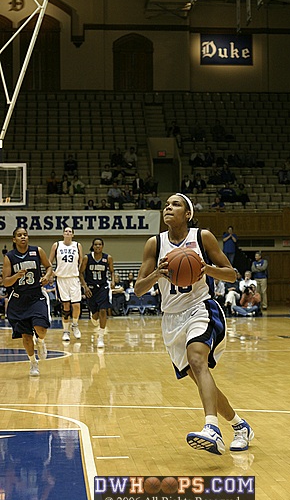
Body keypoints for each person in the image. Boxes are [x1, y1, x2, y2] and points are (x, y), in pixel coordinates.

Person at [134, 193, 254, 455]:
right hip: (171, 318)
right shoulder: (154, 244)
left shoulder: (203, 237)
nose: (168, 208)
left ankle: (211, 428)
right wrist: (157, 274)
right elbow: (139, 290)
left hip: (201, 308)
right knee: (200, 378)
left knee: (198, 361)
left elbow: (231, 274)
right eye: (166, 205)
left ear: (187, 213)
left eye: (175, 204)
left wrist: (205, 268)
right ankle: (240, 426)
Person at [2, 227, 52, 376]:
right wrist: (16, 276)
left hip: (36, 296)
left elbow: (49, 267)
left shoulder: (37, 251)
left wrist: (47, 276)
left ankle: (41, 342)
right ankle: (33, 363)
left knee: (40, 329)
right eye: (19, 235)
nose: (23, 237)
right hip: (19, 299)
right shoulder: (9, 257)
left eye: (25, 235)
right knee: (26, 336)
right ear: (14, 239)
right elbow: (5, 282)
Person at [49, 227, 83, 343]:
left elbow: (81, 262)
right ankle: (65, 331)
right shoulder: (57, 245)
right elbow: (50, 262)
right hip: (61, 279)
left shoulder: (77, 245)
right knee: (66, 306)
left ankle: (75, 325)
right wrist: (50, 275)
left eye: (70, 232)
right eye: (66, 231)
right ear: (63, 234)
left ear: (73, 234)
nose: (68, 233)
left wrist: (82, 278)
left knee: (77, 305)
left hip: (74, 278)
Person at [79, 238, 115, 348]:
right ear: (93, 246)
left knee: (103, 310)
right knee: (95, 314)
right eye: (96, 244)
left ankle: (100, 337)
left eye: (100, 244)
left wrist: (113, 280)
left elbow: (112, 271)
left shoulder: (107, 258)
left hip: (103, 287)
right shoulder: (87, 258)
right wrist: (85, 286)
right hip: (91, 288)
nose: (98, 246)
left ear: (102, 246)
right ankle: (93, 316)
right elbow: (80, 273)